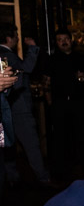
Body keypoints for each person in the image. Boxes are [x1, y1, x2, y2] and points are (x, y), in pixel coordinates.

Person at [1, 23, 51, 187]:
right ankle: (43, 178)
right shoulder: (6, 55)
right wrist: (32, 48)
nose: (17, 39)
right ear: (9, 38)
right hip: (18, 108)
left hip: (9, 109)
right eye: (15, 36)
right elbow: (27, 68)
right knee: (31, 144)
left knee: (8, 146)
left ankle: (12, 179)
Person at [43, 29, 84, 181]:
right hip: (60, 103)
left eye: (66, 39)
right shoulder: (51, 60)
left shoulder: (81, 58)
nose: (63, 42)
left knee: (82, 137)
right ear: (56, 43)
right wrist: (51, 102)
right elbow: (46, 82)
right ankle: (61, 174)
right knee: (60, 139)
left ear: (71, 41)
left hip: (79, 103)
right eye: (59, 39)